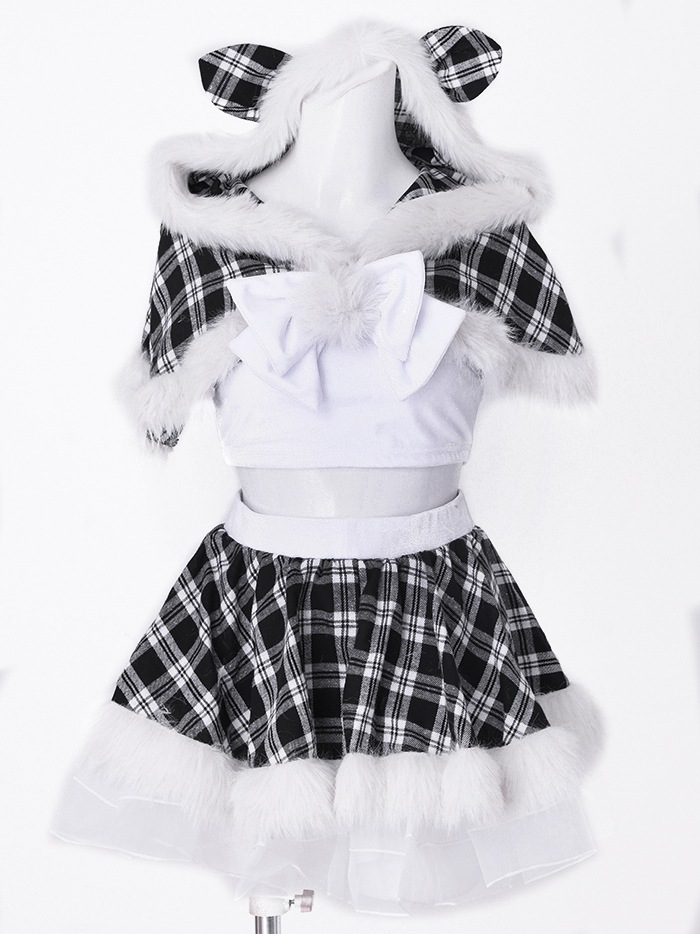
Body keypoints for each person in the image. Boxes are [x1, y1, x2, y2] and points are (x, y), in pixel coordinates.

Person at [51, 20, 603, 916]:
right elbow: (163, 405)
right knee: (278, 849)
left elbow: (542, 352)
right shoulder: (208, 236)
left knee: (412, 841)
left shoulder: (483, 235)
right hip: (261, 593)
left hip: (431, 589)